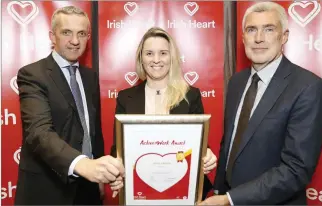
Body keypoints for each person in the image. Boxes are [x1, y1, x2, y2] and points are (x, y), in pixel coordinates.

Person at [200, 2, 322, 205]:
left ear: (284, 36)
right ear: (243, 37)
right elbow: (231, 145)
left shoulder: (309, 88)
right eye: (251, 30)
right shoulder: (237, 82)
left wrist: (230, 199)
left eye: (269, 29)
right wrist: (219, 190)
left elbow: (296, 170)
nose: (258, 38)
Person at [15, 6, 124, 205]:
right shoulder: (32, 75)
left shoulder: (90, 77)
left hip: (88, 189)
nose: (75, 41)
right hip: (48, 189)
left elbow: (92, 132)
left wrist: (99, 172)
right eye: (67, 33)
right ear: (52, 36)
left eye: (81, 34)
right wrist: (83, 165)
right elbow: (39, 132)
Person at [109, 27, 217, 198]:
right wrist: (115, 174)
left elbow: (199, 144)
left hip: (182, 190)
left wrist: (207, 155)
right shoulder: (125, 98)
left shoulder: (190, 95)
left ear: (172, 57)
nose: (156, 60)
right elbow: (118, 148)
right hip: (139, 189)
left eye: (163, 53)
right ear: (141, 58)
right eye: (149, 53)